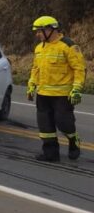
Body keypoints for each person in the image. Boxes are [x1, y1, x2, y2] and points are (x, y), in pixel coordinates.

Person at [27, 16, 87, 162]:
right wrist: (31, 84)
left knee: (63, 123)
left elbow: (80, 68)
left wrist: (77, 88)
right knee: (45, 125)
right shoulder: (39, 48)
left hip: (62, 95)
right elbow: (36, 68)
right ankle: (50, 154)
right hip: (43, 94)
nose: (37, 34)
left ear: (50, 29)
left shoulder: (68, 46)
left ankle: (73, 141)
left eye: (39, 31)